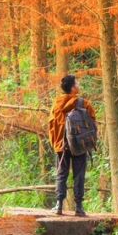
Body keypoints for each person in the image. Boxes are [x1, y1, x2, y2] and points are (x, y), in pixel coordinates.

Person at [48, 73, 97, 216]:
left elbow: (52, 125)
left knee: (61, 173)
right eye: (77, 84)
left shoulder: (57, 104)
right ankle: (79, 207)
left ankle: (59, 205)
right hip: (79, 144)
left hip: (62, 145)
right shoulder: (84, 104)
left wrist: (57, 143)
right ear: (73, 88)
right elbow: (93, 124)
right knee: (79, 175)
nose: (79, 86)